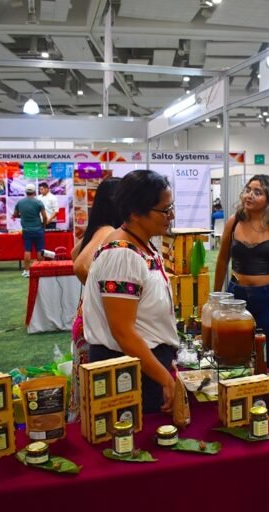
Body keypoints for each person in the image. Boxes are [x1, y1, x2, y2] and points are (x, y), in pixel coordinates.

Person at [83, 170, 178, 414]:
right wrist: (164, 378)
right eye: (165, 210)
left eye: (171, 207)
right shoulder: (121, 255)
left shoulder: (142, 244)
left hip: (144, 364)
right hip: (129, 371)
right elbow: (122, 332)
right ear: (136, 213)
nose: (171, 216)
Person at [214, 174, 269, 379]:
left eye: (258, 192)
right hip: (236, 297)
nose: (250, 195)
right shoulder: (233, 222)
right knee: (235, 354)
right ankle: (240, 395)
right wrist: (216, 296)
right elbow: (222, 261)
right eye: (248, 190)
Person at [68, 178, 121, 422]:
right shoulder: (108, 231)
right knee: (96, 391)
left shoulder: (98, 229)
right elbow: (80, 265)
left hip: (84, 320)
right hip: (92, 323)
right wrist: (102, 295)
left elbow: (74, 253)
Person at [12, 184, 47, 278]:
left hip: (26, 230)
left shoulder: (20, 202)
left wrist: (22, 215)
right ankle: (40, 270)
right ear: (34, 192)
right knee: (40, 250)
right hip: (38, 229)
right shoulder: (39, 202)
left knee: (27, 250)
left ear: (26, 192)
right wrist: (43, 226)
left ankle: (27, 271)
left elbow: (15, 214)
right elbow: (44, 217)